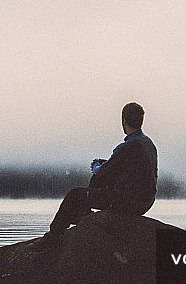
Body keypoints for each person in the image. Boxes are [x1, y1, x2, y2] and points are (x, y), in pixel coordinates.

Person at [45, 102, 158, 240]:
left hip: (126, 202)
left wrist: (96, 166)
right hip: (145, 202)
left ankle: (53, 236)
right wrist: (106, 164)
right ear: (141, 120)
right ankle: (84, 214)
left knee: (74, 195)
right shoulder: (149, 144)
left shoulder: (127, 147)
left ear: (124, 121)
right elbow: (127, 168)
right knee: (100, 174)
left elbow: (103, 173)